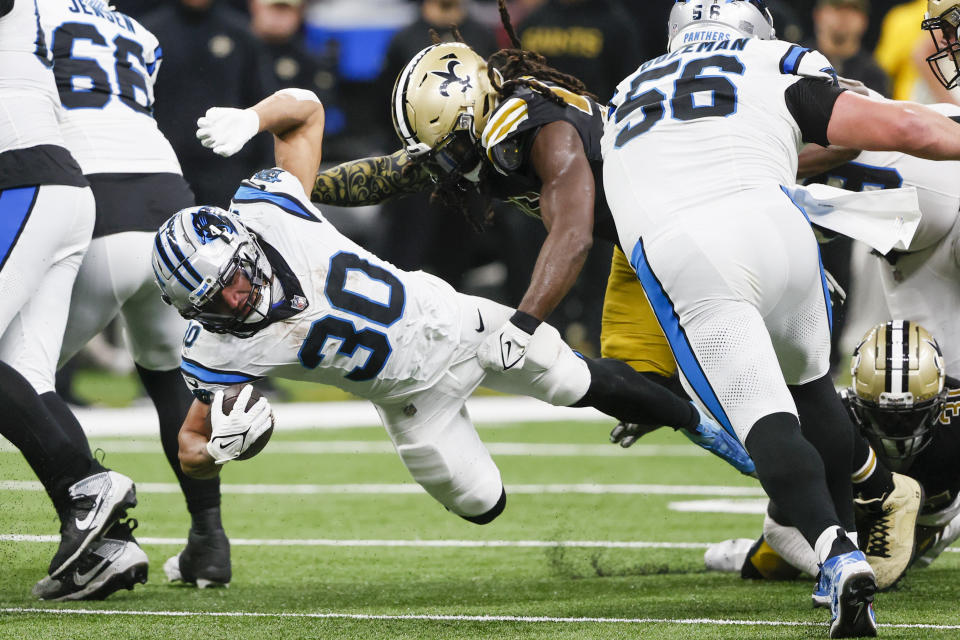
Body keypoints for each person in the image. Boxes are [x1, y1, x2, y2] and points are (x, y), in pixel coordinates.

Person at [152, 88, 756, 529]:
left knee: (581, 380)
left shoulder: (270, 209)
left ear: (243, 245)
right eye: (215, 300)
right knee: (482, 505)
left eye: (232, 278)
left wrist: (251, 117)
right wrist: (224, 450)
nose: (237, 298)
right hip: (412, 404)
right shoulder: (214, 346)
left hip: (460, 326)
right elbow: (189, 448)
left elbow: (305, 108)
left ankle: (714, 430)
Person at [601, 0, 960, 636]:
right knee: (837, 388)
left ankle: (839, 550)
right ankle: (894, 513)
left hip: (698, 245)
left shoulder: (629, 89)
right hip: (782, 224)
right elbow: (907, 130)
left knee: (769, 414)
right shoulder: (774, 62)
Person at [34, 0, 232, 595]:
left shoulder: (26, 18)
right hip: (172, 207)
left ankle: (103, 529)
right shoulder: (138, 31)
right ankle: (209, 538)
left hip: (91, 199)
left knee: (20, 378)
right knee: (170, 375)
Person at [0, 0, 140, 600]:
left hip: (22, 179)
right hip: (49, 186)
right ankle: (102, 550)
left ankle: (86, 485)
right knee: (20, 374)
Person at [706, 321, 960, 596]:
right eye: (883, 417)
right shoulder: (834, 418)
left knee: (903, 566)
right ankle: (750, 551)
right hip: (853, 514)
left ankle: (940, 533)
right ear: (856, 398)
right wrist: (841, 566)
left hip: (930, 518)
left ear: (941, 399)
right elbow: (779, 528)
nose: (897, 433)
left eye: (911, 416)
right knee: (765, 565)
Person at [140, 0, 278, 207]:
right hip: (166, 166)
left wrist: (265, 167)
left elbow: (261, 100)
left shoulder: (241, 33)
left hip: (228, 169)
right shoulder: (148, 34)